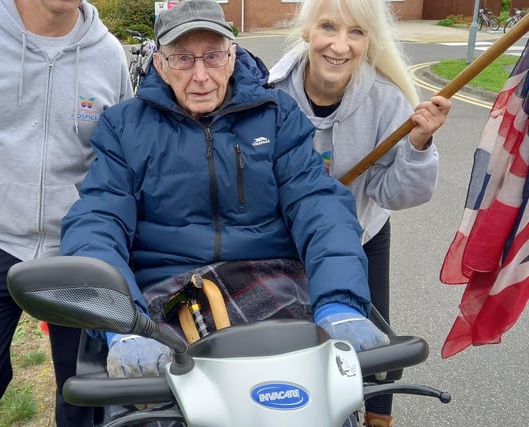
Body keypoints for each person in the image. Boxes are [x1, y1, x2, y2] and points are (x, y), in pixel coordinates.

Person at [61, 0, 388, 425]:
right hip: (166, 295)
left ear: (232, 55)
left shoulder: (276, 116)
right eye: (182, 58)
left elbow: (320, 206)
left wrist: (340, 304)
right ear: (159, 63)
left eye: (213, 56)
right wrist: (121, 320)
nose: (201, 75)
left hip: (275, 281)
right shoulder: (123, 128)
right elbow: (96, 223)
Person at [0, 0, 133, 425]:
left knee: (83, 391)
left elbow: (117, 155)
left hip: (76, 247)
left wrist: (91, 226)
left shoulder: (108, 53)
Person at [267, 0, 452, 426]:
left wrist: (418, 145)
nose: (340, 45)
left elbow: (396, 194)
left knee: (376, 350)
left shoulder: (386, 102)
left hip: (362, 236)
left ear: (369, 42)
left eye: (357, 33)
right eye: (328, 27)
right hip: (287, 240)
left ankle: (377, 418)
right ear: (306, 33)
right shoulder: (271, 96)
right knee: (296, 342)